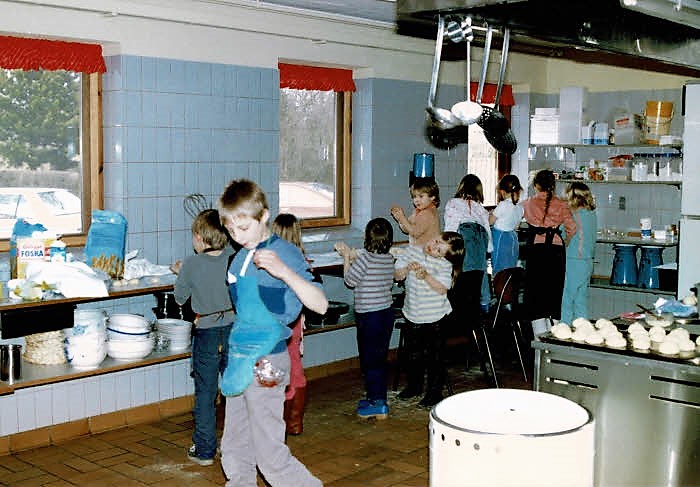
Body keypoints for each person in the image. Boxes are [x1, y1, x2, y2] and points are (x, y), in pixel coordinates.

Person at [218, 179, 327, 487]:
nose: (238, 237)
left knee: (269, 454)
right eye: (231, 231)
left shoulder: (285, 254)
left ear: (264, 215)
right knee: (235, 446)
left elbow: (319, 304)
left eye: (244, 228)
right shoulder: (240, 258)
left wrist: (283, 271)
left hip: (268, 361)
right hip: (241, 358)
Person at [171, 208, 236, 466]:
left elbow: (179, 298)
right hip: (234, 329)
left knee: (206, 394)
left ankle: (205, 450)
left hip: (207, 332)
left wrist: (181, 273)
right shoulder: (234, 256)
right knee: (236, 391)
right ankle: (237, 447)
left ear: (199, 237)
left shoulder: (191, 263)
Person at [394, 231, 464, 407]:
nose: (433, 247)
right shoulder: (412, 251)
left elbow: (442, 288)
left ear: (443, 256)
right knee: (413, 355)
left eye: (439, 250)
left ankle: (434, 392)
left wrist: (426, 276)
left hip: (435, 317)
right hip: (413, 313)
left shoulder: (444, 265)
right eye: (436, 241)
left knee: (435, 358)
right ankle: (414, 386)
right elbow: (397, 275)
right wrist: (405, 269)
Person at [334, 217, 395, 420]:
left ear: (367, 239)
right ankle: (377, 398)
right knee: (379, 358)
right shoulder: (388, 259)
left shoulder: (365, 259)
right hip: (386, 314)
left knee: (369, 360)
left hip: (369, 316)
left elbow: (350, 280)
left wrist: (346, 257)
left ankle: (377, 403)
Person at [521, 169, 577, 337]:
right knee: (554, 294)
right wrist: (564, 242)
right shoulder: (562, 204)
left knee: (535, 296)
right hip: (555, 252)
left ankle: (539, 340)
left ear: (536, 185)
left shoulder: (527, 203)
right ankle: (556, 337)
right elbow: (572, 228)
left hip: (536, 251)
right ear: (553, 185)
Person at [271, 213, 309, 436]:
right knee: (294, 365)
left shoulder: (270, 261)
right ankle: (294, 421)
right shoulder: (300, 259)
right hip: (295, 320)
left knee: (281, 367)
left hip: (276, 321)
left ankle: (284, 420)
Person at [444, 174, 493, 312]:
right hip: (481, 235)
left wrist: (446, 247)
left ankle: (459, 308)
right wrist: (489, 247)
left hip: (465, 233)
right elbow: (487, 229)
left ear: (461, 187)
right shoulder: (481, 208)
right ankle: (484, 303)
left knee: (462, 273)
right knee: (480, 273)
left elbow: (451, 226)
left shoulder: (453, 203)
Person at [560, 182, 597, 325]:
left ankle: (564, 330)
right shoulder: (591, 214)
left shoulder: (572, 215)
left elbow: (564, 235)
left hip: (573, 260)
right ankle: (582, 330)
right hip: (587, 262)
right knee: (580, 300)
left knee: (566, 299)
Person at [390, 178, 441, 248]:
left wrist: (402, 218)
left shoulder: (427, 213)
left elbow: (414, 232)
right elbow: (407, 229)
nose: (416, 200)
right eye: (414, 197)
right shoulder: (418, 211)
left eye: (421, 196)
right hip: (419, 249)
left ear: (432, 197)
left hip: (426, 250)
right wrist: (400, 219)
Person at [489, 174, 524, 274]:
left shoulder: (502, 205)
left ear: (502, 192)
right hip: (513, 239)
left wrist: (491, 213)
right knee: (510, 267)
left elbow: (490, 221)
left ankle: (499, 284)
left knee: (499, 268)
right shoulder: (520, 208)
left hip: (500, 239)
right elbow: (516, 226)